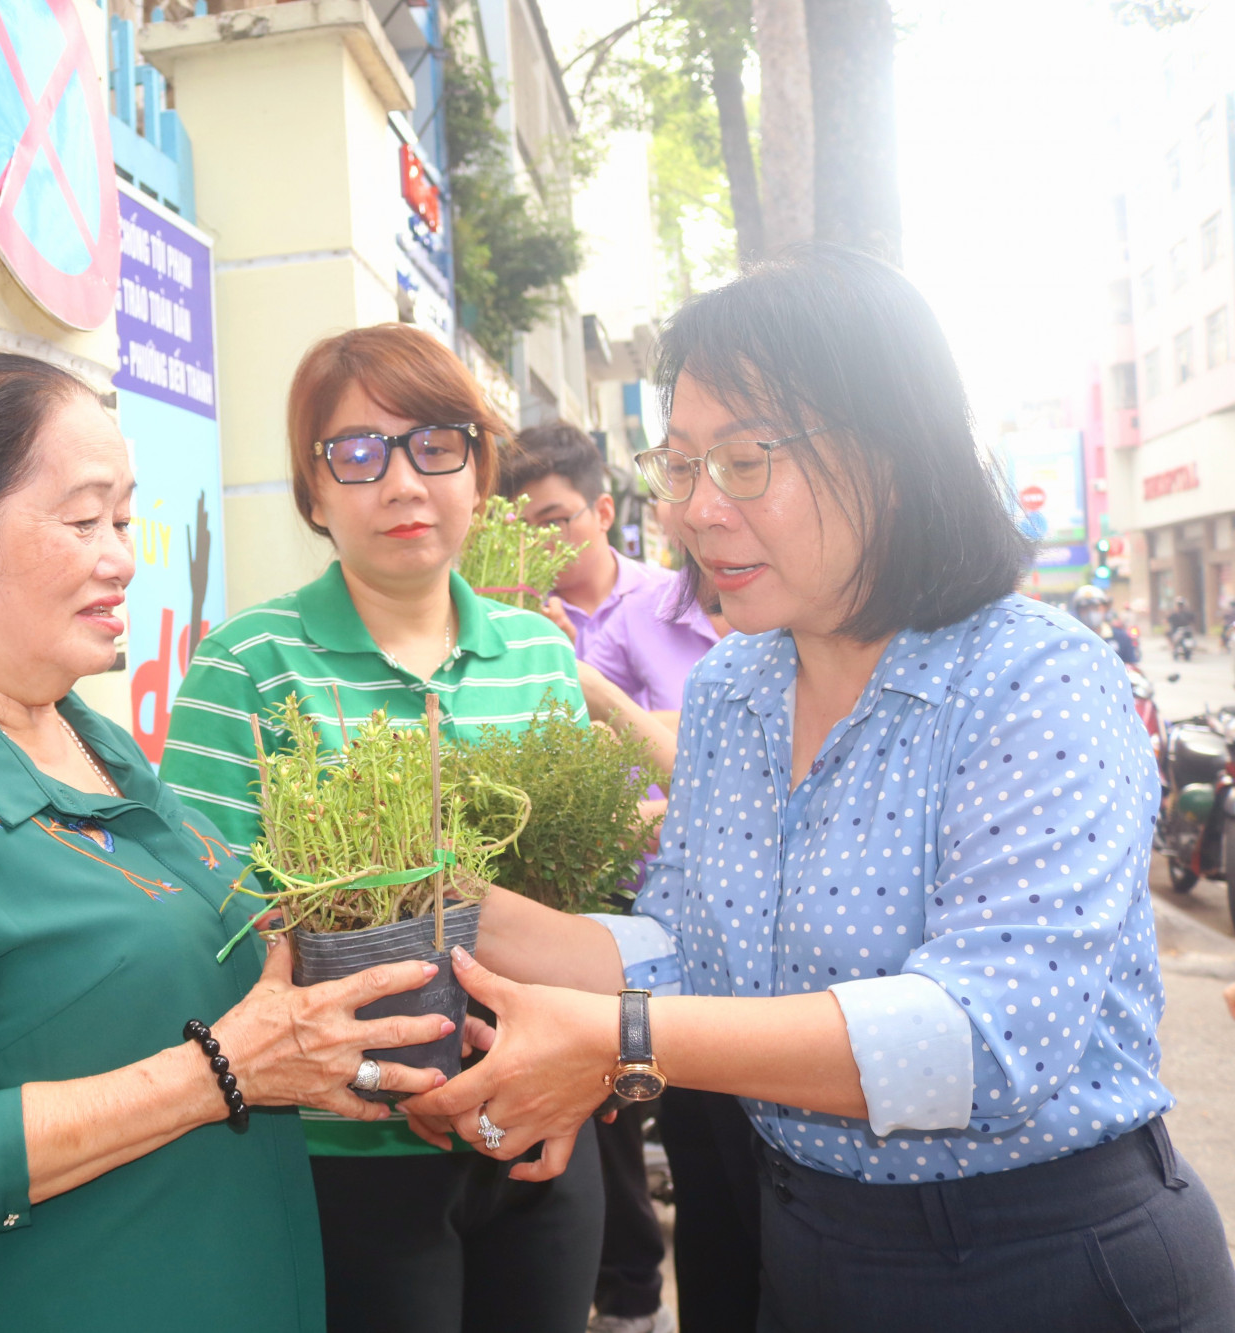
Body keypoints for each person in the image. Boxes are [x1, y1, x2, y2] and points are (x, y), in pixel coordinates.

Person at [407, 246, 1235, 1331]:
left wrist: (620, 1041)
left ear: (889, 453)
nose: (697, 510)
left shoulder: (1034, 679)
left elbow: (986, 1036)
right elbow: (689, 946)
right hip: (805, 1246)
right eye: (681, 463)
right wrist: (443, 905)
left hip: (1044, 1262)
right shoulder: (733, 686)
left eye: (745, 462)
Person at [0, 353, 455, 1332]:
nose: (121, 557)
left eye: (124, 519)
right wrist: (218, 1069)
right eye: (82, 518)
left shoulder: (98, 747)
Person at [161, 323, 674, 1333]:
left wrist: (574, 1069)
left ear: (477, 473)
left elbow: (578, 899)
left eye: (434, 444)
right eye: (355, 452)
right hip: (343, 1154)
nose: (401, 483)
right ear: (312, 492)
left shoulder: (531, 651)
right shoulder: (248, 664)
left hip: (529, 1132)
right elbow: (201, 914)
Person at [502, 426, 747, 1333]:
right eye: (525, 528)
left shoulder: (693, 618)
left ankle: (634, 1295)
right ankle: (629, 1298)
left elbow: (709, 778)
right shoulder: (521, 634)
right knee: (640, 1129)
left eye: (558, 518)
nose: (546, 543)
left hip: (701, 940)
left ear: (606, 511)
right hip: (623, 919)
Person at [508, 421, 718, 717]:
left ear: (604, 513)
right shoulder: (519, 621)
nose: (536, 542)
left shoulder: (673, 600)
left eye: (552, 523)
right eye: (520, 529)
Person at [1071, 583, 1139, 665]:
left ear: (1105, 608)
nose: (1091, 612)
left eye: (1095, 607)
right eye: (1085, 608)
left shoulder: (1121, 637)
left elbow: (1131, 666)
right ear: (1078, 611)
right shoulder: (1073, 639)